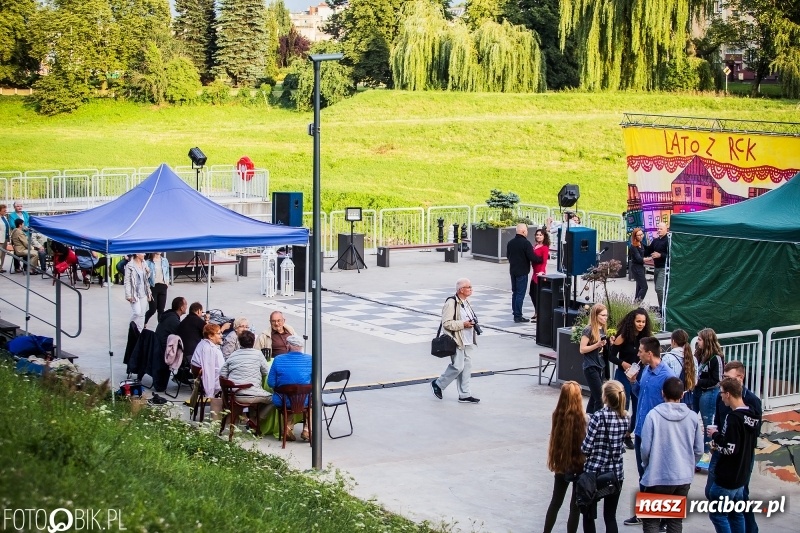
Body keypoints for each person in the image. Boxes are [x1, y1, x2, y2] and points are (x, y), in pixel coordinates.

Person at [623, 336, 676, 527]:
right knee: (643, 473)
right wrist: (633, 382)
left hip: (657, 435)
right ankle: (644, 513)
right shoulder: (645, 370)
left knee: (657, 476)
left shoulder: (668, 376)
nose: (638, 354)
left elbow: (673, 407)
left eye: (640, 351)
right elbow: (640, 394)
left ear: (650, 353)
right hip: (640, 430)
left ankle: (660, 518)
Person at [640, 377, 703, 533]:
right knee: (675, 520)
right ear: (682, 395)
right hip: (682, 478)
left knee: (651, 521)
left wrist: (647, 464)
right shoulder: (692, 417)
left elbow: (645, 448)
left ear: (662, 393)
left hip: (657, 475)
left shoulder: (653, 415)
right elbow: (699, 450)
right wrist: (689, 464)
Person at [706, 361, 762, 533]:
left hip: (735, 460)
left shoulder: (750, 403)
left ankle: (751, 530)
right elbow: (720, 422)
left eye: (727, 378)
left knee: (725, 507)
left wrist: (716, 439)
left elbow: (738, 443)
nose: (721, 393)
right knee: (721, 498)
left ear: (740, 377)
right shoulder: (725, 401)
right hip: (730, 457)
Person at [580, 380, 628, 533]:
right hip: (616, 472)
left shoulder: (598, 417)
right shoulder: (626, 418)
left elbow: (586, 447)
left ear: (605, 397)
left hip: (595, 473)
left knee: (588, 514)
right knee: (610, 516)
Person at [543, 381, 585, 533]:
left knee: (555, 502)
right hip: (579, 465)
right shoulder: (583, 419)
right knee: (575, 507)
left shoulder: (557, 415)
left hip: (561, 462)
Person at [607, 307, 652, 449]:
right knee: (623, 405)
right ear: (632, 321)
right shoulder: (623, 336)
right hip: (623, 374)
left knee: (638, 405)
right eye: (638, 321)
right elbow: (611, 355)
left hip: (639, 375)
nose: (641, 324)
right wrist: (623, 363)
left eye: (643, 322)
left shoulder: (645, 338)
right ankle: (618, 436)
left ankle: (628, 434)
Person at [431, 278, 480, 404]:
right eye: (468, 287)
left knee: (467, 368)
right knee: (458, 367)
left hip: (468, 340)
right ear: (460, 290)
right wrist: (463, 324)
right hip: (457, 340)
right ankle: (438, 383)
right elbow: (446, 323)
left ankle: (464, 395)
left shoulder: (466, 302)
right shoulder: (451, 303)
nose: (471, 289)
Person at [220, 330, 273, 427]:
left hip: (235, 395)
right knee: (274, 399)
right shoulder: (258, 354)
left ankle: (251, 419)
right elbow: (266, 371)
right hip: (253, 394)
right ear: (253, 342)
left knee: (257, 395)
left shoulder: (234, 354)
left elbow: (222, 374)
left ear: (239, 342)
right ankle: (256, 419)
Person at [267, 335, 312, 441]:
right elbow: (315, 381)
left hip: (283, 400)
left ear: (288, 346)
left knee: (290, 398)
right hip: (304, 400)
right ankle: (307, 430)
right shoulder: (310, 360)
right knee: (311, 401)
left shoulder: (278, 359)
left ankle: (287, 428)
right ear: (301, 347)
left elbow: (271, 383)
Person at [695, 328, 724, 457]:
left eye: (700, 339)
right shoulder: (699, 353)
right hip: (697, 391)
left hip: (710, 393)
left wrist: (699, 382)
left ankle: (706, 453)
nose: (698, 342)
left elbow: (717, 380)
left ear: (707, 341)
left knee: (708, 424)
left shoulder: (716, 358)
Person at [579, 303, 608, 414]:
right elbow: (582, 349)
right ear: (595, 316)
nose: (605, 318)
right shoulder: (589, 330)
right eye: (603, 315)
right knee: (600, 398)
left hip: (600, 365)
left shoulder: (602, 329)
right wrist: (597, 345)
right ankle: (597, 423)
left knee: (594, 397)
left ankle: (587, 420)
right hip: (590, 366)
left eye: (606, 315)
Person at [506, 223, 538, 322]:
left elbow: (508, 255)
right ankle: (518, 315)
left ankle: (515, 312)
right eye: (527, 231)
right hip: (522, 271)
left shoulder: (510, 242)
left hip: (513, 270)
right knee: (520, 293)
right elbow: (532, 257)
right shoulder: (526, 243)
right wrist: (542, 258)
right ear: (524, 231)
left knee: (515, 293)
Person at [661, 329, 697, 410]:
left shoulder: (668, 357)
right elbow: (695, 381)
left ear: (673, 341)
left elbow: (664, 379)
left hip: (672, 399)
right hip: (688, 399)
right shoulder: (693, 358)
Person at [190, 323, 226, 403]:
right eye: (218, 333)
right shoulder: (209, 349)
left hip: (215, 378)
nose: (221, 336)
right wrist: (210, 394)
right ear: (210, 336)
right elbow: (208, 373)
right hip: (214, 382)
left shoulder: (203, 344)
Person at [644, 222, 669, 311]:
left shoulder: (668, 241)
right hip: (656, 267)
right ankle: (661, 308)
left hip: (664, 268)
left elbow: (672, 255)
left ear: (666, 229)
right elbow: (648, 251)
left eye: (661, 229)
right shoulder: (655, 240)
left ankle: (664, 309)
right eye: (658, 229)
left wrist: (660, 255)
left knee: (659, 288)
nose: (659, 230)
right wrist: (639, 245)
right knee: (657, 289)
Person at [123, 253, 151, 330]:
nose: (144, 254)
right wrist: (128, 295)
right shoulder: (130, 265)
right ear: (137, 254)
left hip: (144, 291)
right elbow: (127, 281)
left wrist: (148, 272)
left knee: (142, 314)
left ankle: (140, 332)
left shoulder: (144, 263)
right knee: (137, 312)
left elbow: (147, 277)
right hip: (134, 292)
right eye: (142, 253)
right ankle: (131, 328)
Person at [528, 227, 550, 322]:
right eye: (537, 235)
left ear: (544, 236)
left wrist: (541, 272)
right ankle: (537, 312)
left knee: (537, 294)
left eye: (540, 235)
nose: (538, 236)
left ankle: (539, 314)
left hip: (539, 273)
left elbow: (544, 261)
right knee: (531, 293)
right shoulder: (535, 246)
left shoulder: (544, 248)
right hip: (534, 272)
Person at [155, 297, 187, 361]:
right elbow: (182, 337)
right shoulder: (173, 320)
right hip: (163, 352)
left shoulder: (169, 315)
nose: (187, 306)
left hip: (158, 348)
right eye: (186, 304)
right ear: (181, 308)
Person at [144, 252, 171, 328]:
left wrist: (167, 283)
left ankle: (160, 328)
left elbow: (167, 272)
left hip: (163, 286)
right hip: (153, 286)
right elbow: (146, 277)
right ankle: (144, 322)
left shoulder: (165, 260)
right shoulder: (148, 262)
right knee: (152, 309)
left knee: (161, 309)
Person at [8, 201, 30, 273]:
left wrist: (26, 227)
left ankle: (25, 266)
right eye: (18, 206)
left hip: (26, 234)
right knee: (18, 249)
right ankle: (17, 267)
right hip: (17, 234)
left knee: (26, 248)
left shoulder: (25, 213)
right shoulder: (12, 215)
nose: (19, 207)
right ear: (14, 207)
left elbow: (29, 221)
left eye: (20, 206)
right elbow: (12, 225)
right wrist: (21, 228)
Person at [628, 228, 647, 302]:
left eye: (642, 234)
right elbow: (639, 259)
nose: (641, 236)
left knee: (639, 287)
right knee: (644, 287)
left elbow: (646, 251)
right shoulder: (633, 246)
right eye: (639, 235)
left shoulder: (641, 244)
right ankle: (636, 304)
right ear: (635, 236)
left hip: (641, 267)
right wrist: (649, 258)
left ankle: (635, 305)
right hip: (636, 267)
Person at [0, 204, 11, 273]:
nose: (5, 211)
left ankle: (1, 267)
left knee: (3, 254)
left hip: (5, 238)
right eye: (4, 210)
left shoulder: (5, 218)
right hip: (0, 239)